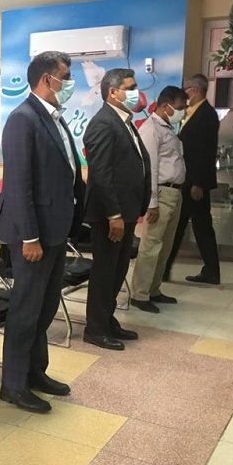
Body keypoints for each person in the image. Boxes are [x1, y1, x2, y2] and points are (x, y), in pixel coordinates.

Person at [0, 51, 85, 412]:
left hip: (55, 230)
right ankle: (13, 384)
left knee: (45, 307)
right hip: (32, 235)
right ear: (47, 79)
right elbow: (18, 185)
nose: (70, 83)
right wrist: (29, 236)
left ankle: (35, 372)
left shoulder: (54, 117)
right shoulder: (22, 119)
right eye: (66, 76)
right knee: (26, 309)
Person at [82, 68, 151, 351]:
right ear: (113, 92)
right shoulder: (103, 123)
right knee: (105, 271)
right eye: (130, 88)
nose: (136, 93)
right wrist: (114, 215)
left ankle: (107, 320)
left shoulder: (124, 121)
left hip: (127, 211)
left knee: (118, 269)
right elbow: (101, 174)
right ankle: (95, 329)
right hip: (111, 215)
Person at [130, 86, 188, 313]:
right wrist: (151, 203)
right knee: (151, 246)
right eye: (180, 107)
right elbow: (150, 168)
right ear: (166, 106)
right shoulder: (151, 129)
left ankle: (154, 289)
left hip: (174, 193)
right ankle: (140, 294)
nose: (183, 112)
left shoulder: (168, 128)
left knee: (165, 246)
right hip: (161, 194)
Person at [165, 73, 221, 285]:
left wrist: (199, 183)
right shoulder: (191, 113)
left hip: (194, 182)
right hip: (186, 179)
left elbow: (205, 152)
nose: (183, 93)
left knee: (196, 226)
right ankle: (167, 269)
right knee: (186, 225)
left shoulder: (206, 114)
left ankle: (210, 271)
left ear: (194, 90)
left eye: (185, 88)